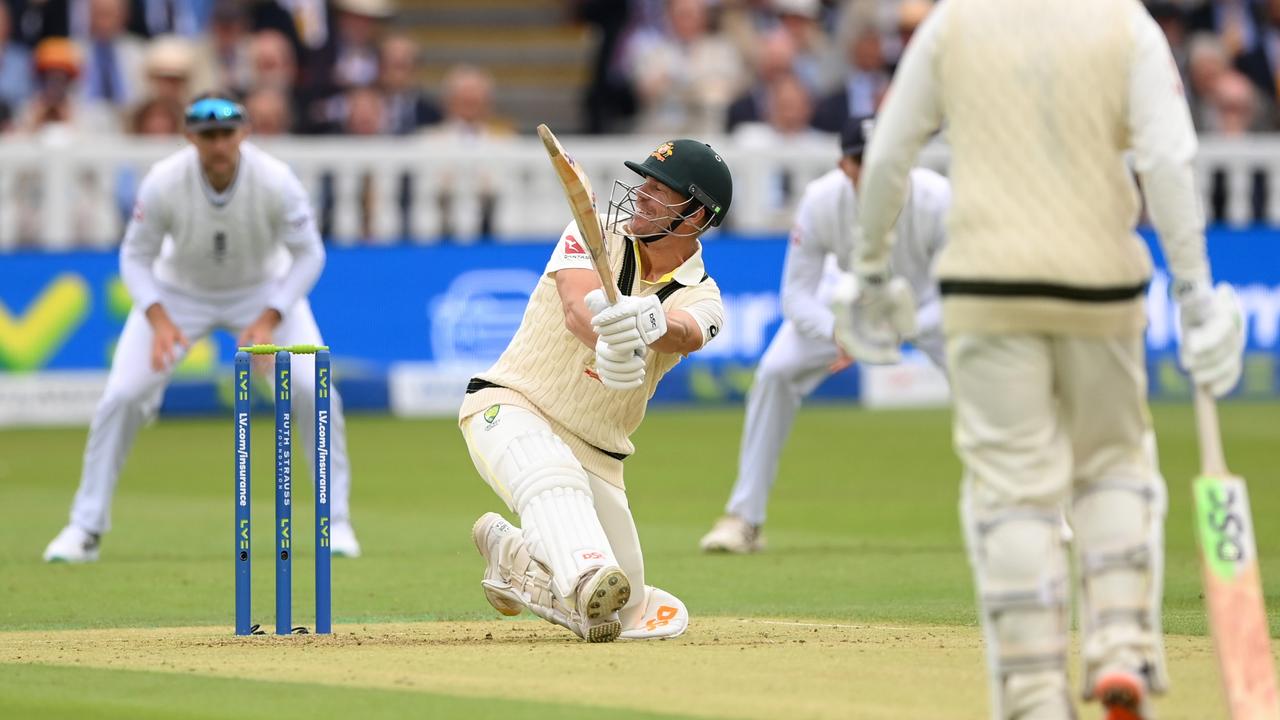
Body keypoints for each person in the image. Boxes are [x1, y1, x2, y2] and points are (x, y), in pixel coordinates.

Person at [844, 1, 1245, 718]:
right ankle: (1120, 643)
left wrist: (870, 268)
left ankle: (1033, 690)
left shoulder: (953, 25)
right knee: (1114, 464)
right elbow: (1165, 161)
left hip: (985, 282)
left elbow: (890, 151)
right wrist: (1196, 290)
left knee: (1012, 490)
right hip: (1102, 281)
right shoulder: (1127, 25)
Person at [43, 94, 364, 563]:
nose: (218, 144)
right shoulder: (164, 181)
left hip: (263, 291)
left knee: (311, 388)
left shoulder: (275, 180)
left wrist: (270, 316)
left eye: (227, 133)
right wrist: (158, 317)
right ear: (189, 137)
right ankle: (84, 527)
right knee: (124, 395)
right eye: (207, 135)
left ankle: (334, 522)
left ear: (244, 134)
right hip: (178, 294)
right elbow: (135, 256)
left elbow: (309, 254)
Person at [461, 139, 733, 642]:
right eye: (644, 182)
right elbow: (575, 305)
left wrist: (651, 325)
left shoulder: (704, 295)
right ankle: (580, 570)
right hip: (511, 404)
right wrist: (609, 336)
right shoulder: (592, 234)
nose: (642, 195)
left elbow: (690, 330)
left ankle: (515, 558)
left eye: (661, 190)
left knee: (621, 611)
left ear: (696, 215)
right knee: (555, 487)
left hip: (598, 452)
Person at [701, 116, 950, 553]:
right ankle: (744, 519)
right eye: (862, 161)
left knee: (991, 383)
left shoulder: (937, 199)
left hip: (926, 306)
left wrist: (901, 328)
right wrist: (842, 332)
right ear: (844, 166)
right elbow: (796, 296)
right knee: (776, 372)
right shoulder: (821, 200)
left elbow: (958, 291)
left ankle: (1040, 510)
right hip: (845, 301)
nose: (876, 170)